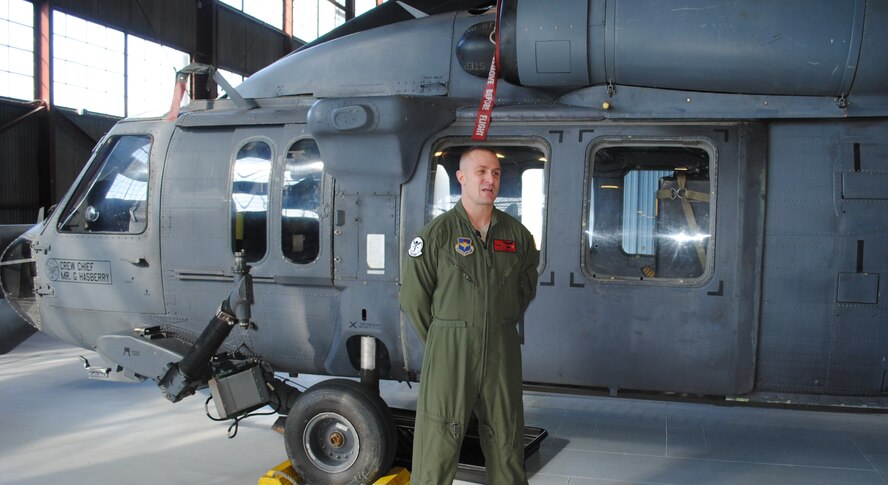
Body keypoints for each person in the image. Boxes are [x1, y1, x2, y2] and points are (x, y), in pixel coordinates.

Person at [400, 146, 539, 484]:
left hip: (501, 350)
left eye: (495, 173)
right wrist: (443, 338)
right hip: (450, 349)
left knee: (506, 439)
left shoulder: (517, 236)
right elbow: (413, 298)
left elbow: (525, 288)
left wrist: (496, 322)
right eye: (481, 172)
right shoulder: (435, 236)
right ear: (461, 177)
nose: (490, 179)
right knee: (438, 441)